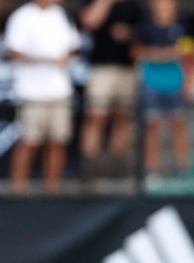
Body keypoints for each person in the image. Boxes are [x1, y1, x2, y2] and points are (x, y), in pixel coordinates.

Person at [4, 0, 81, 196]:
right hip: (31, 92)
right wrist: (45, 59)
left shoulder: (62, 14)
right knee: (29, 142)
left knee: (58, 142)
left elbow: (74, 47)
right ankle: (17, 192)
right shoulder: (21, 16)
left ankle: (52, 191)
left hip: (60, 91)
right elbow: (14, 51)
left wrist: (66, 58)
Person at [79, 0, 143, 178]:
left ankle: (118, 166)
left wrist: (129, 33)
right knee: (96, 116)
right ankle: (89, 167)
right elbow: (89, 22)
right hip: (101, 69)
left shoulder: (134, 6)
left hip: (127, 69)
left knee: (122, 117)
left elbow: (145, 32)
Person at [132, 0, 188, 180]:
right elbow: (136, 51)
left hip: (176, 83)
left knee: (178, 125)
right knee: (152, 127)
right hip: (152, 83)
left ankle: (183, 169)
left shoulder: (183, 26)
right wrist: (156, 54)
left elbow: (187, 51)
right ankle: (152, 170)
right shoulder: (145, 26)